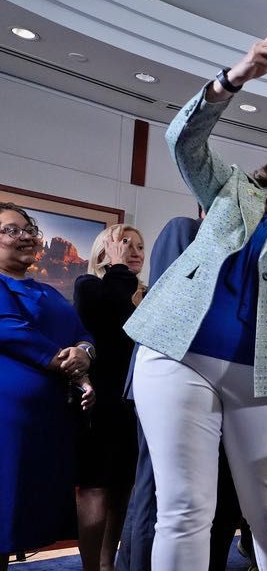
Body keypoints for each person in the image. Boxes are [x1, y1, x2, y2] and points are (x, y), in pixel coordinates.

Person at [123, 32, 267, 570]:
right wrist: (240, 73)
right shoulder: (230, 187)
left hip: (264, 374)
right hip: (177, 358)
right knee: (184, 509)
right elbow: (182, 141)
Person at [116, 209, 253, 571]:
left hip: (227, 390)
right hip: (170, 384)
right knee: (160, 496)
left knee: (220, 497)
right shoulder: (184, 229)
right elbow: (172, 307)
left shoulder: (249, 256)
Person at [0, 202, 96, 571]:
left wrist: (85, 353)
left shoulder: (50, 293)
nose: (24, 235)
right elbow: (11, 329)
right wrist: (71, 367)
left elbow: (82, 333)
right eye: (11, 229)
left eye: (28, 229)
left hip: (46, 421)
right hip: (8, 421)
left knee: (18, 520)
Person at [73, 224, 147, 571]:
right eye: (124, 244)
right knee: (96, 486)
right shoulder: (88, 285)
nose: (134, 252)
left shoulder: (145, 293)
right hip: (101, 401)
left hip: (136, 402)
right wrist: (118, 270)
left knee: (123, 488)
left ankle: (108, 564)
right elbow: (112, 322)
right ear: (104, 251)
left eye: (139, 246)